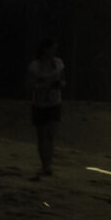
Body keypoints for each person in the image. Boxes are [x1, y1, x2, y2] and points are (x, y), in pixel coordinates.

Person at [26, 38, 65, 175]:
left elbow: (63, 80)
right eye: (52, 48)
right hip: (39, 104)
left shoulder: (58, 63)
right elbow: (30, 86)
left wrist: (59, 84)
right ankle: (44, 165)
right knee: (41, 136)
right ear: (45, 49)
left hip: (54, 102)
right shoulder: (34, 66)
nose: (54, 51)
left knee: (50, 136)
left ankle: (48, 165)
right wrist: (45, 85)